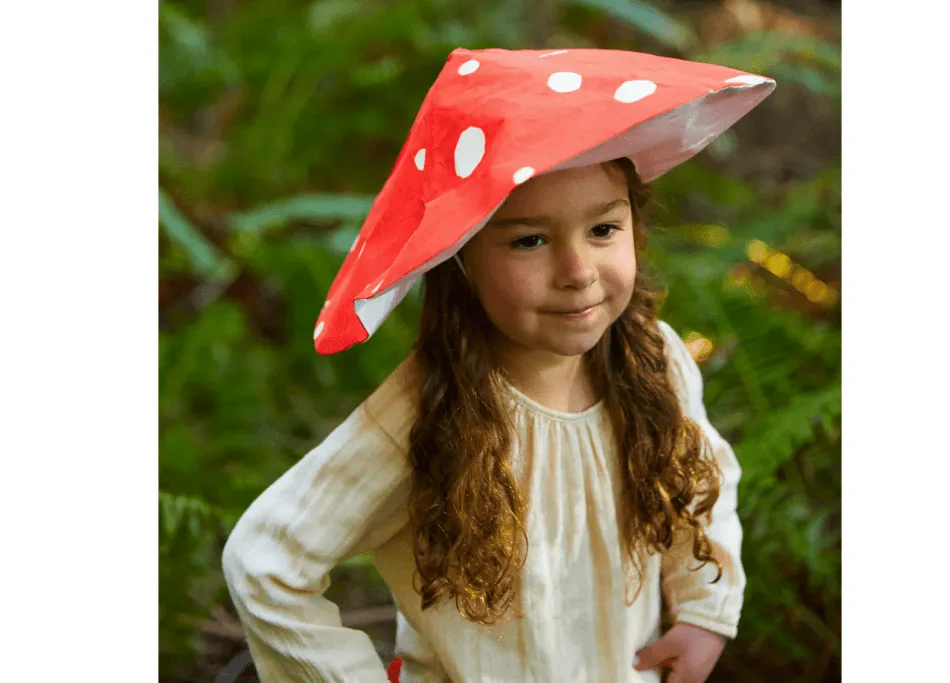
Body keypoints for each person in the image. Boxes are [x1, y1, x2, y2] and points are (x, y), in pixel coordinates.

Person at [222, 47, 774, 683]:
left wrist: (705, 613)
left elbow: (697, 486)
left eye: (602, 229)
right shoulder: (428, 408)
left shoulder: (654, 360)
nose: (578, 273)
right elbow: (267, 562)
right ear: (460, 259)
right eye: (529, 240)